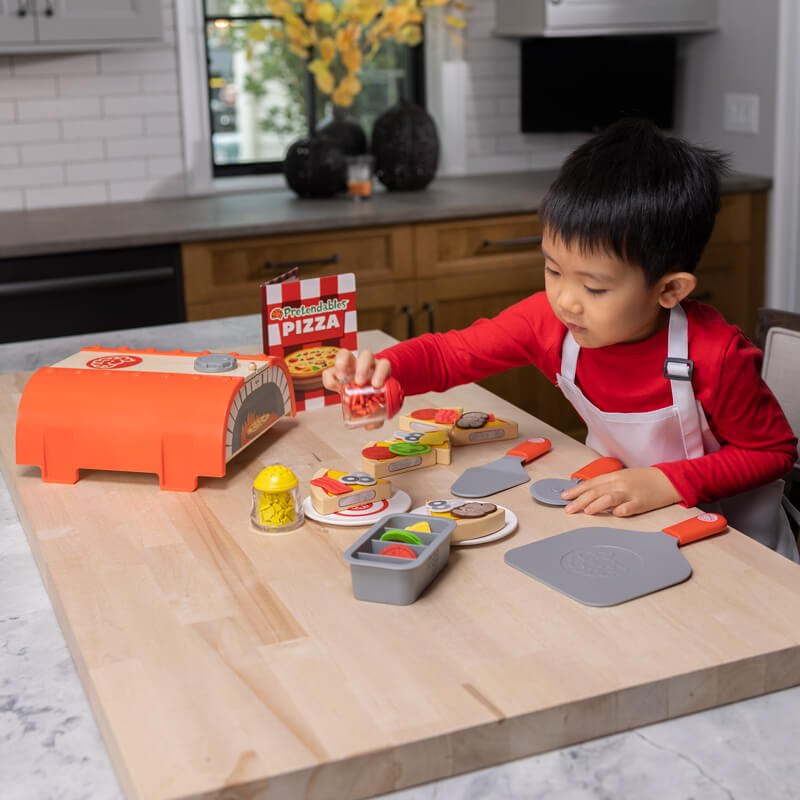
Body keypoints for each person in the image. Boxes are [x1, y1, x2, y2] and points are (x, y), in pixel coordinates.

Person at [323, 118, 799, 561]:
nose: (567, 300)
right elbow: (450, 355)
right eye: (552, 269)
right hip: (636, 526)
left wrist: (667, 482)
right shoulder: (549, 323)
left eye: (594, 287)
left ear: (669, 289)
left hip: (740, 547)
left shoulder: (715, 353)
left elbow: (773, 453)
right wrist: (385, 371)